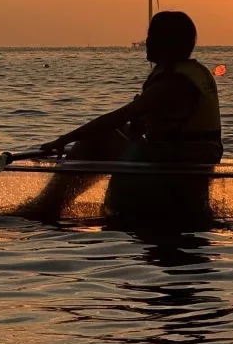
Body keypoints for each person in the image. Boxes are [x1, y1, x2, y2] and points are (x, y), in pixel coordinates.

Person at [31, 11, 222, 217]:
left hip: (173, 169)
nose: (146, 42)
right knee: (117, 133)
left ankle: (47, 207)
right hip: (182, 163)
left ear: (166, 43)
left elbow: (115, 118)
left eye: (151, 36)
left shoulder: (171, 82)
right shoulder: (196, 73)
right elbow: (145, 125)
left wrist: (64, 139)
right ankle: (51, 204)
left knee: (98, 138)